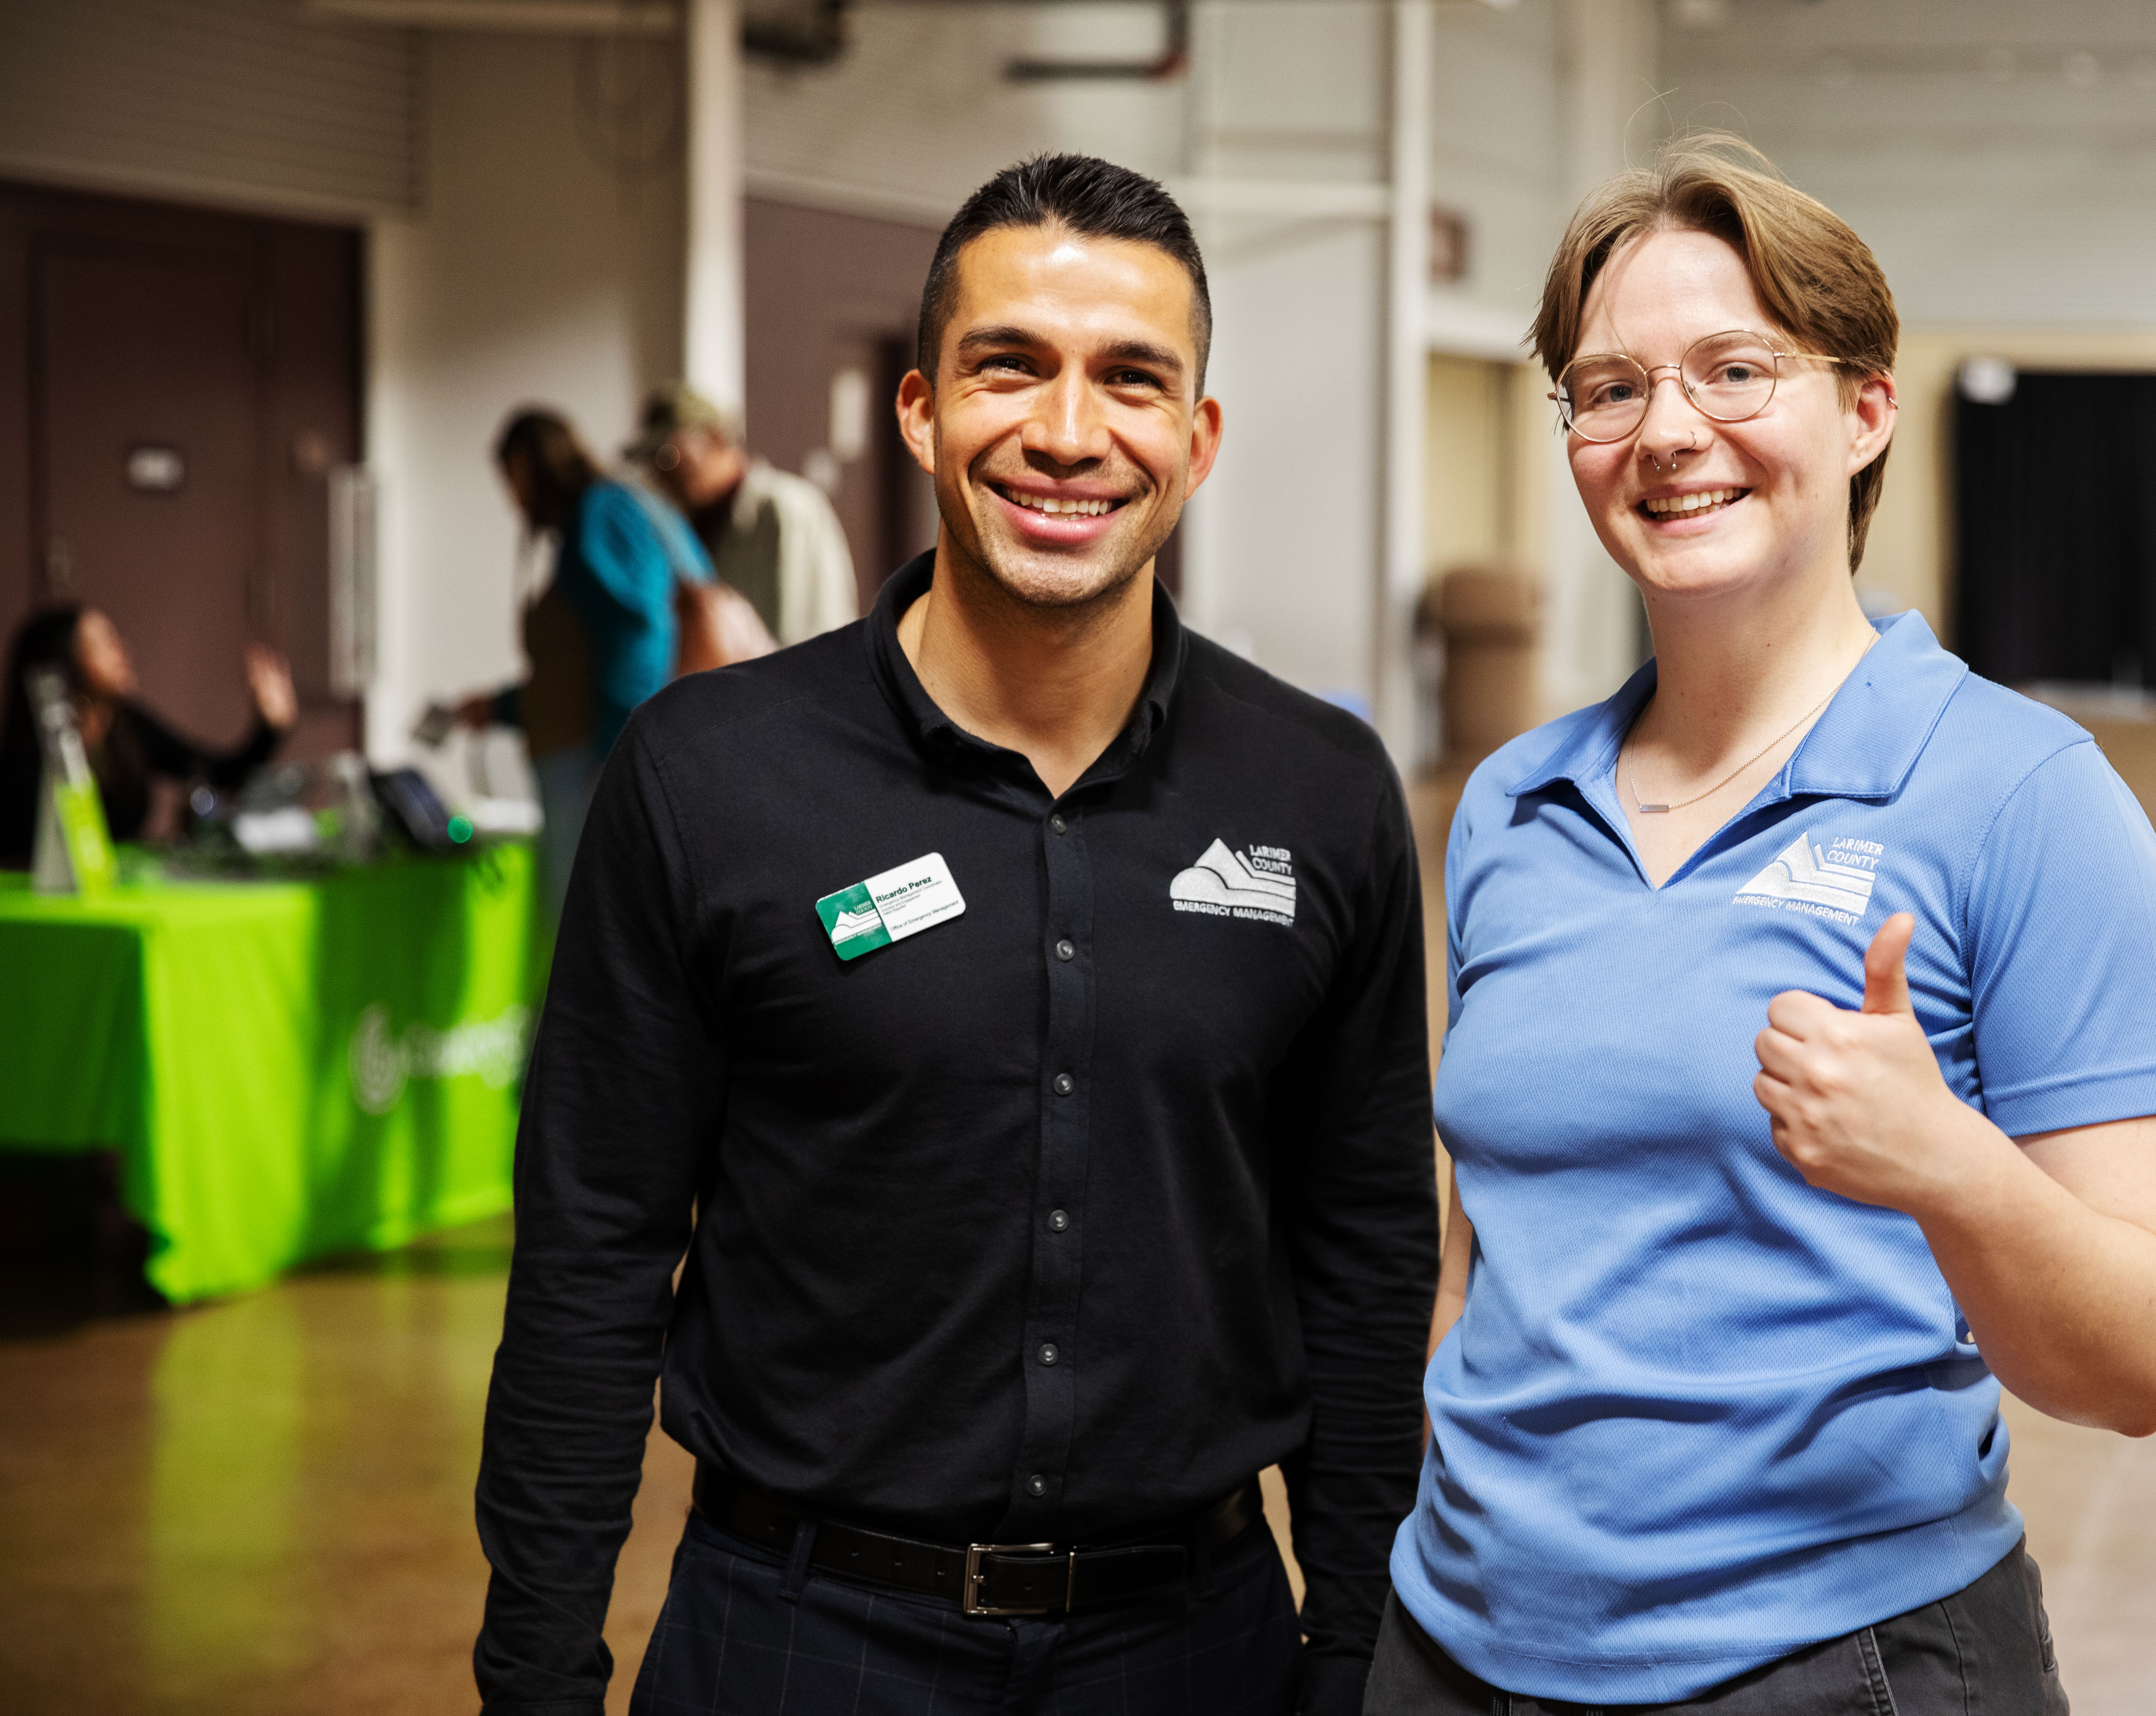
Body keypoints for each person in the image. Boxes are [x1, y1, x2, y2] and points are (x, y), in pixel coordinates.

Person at [472, 154, 1437, 1716]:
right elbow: (591, 1251)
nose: (1068, 433)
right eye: (1012, 367)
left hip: (1195, 1653)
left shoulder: (1317, 793)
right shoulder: (712, 776)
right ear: (922, 409)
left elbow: (1365, 1253)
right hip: (797, 1643)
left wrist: (1354, 1652)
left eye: (1131, 380)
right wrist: (534, 1676)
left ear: (1196, 441)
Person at [1371, 136, 2156, 1716]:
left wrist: (1944, 1161)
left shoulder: (2022, 795)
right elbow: (1488, 1233)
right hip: (1457, 1652)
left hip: (1830, 1667)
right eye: (1609, 388)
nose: (1667, 432)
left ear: (1867, 407)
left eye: (1733, 369)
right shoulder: (1511, 806)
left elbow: (2147, 1357)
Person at [454, 408, 713, 922]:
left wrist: (624, 751)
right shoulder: (618, 509)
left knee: (594, 925)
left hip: (604, 755)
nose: (512, 499)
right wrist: (506, 706)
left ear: (529, 466)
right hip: (604, 748)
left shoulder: (601, 513)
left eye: (511, 478)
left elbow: (641, 628)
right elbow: (573, 665)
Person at [0, 603, 295, 866]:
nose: (122, 649)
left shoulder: (128, 726)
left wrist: (269, 730)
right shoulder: (30, 752)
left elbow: (215, 772)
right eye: (103, 642)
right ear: (65, 659)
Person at [630, 381, 861, 645]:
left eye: (668, 456)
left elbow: (813, 641)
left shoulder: (786, 511)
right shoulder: (684, 520)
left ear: (717, 440)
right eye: (651, 461)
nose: (662, 473)